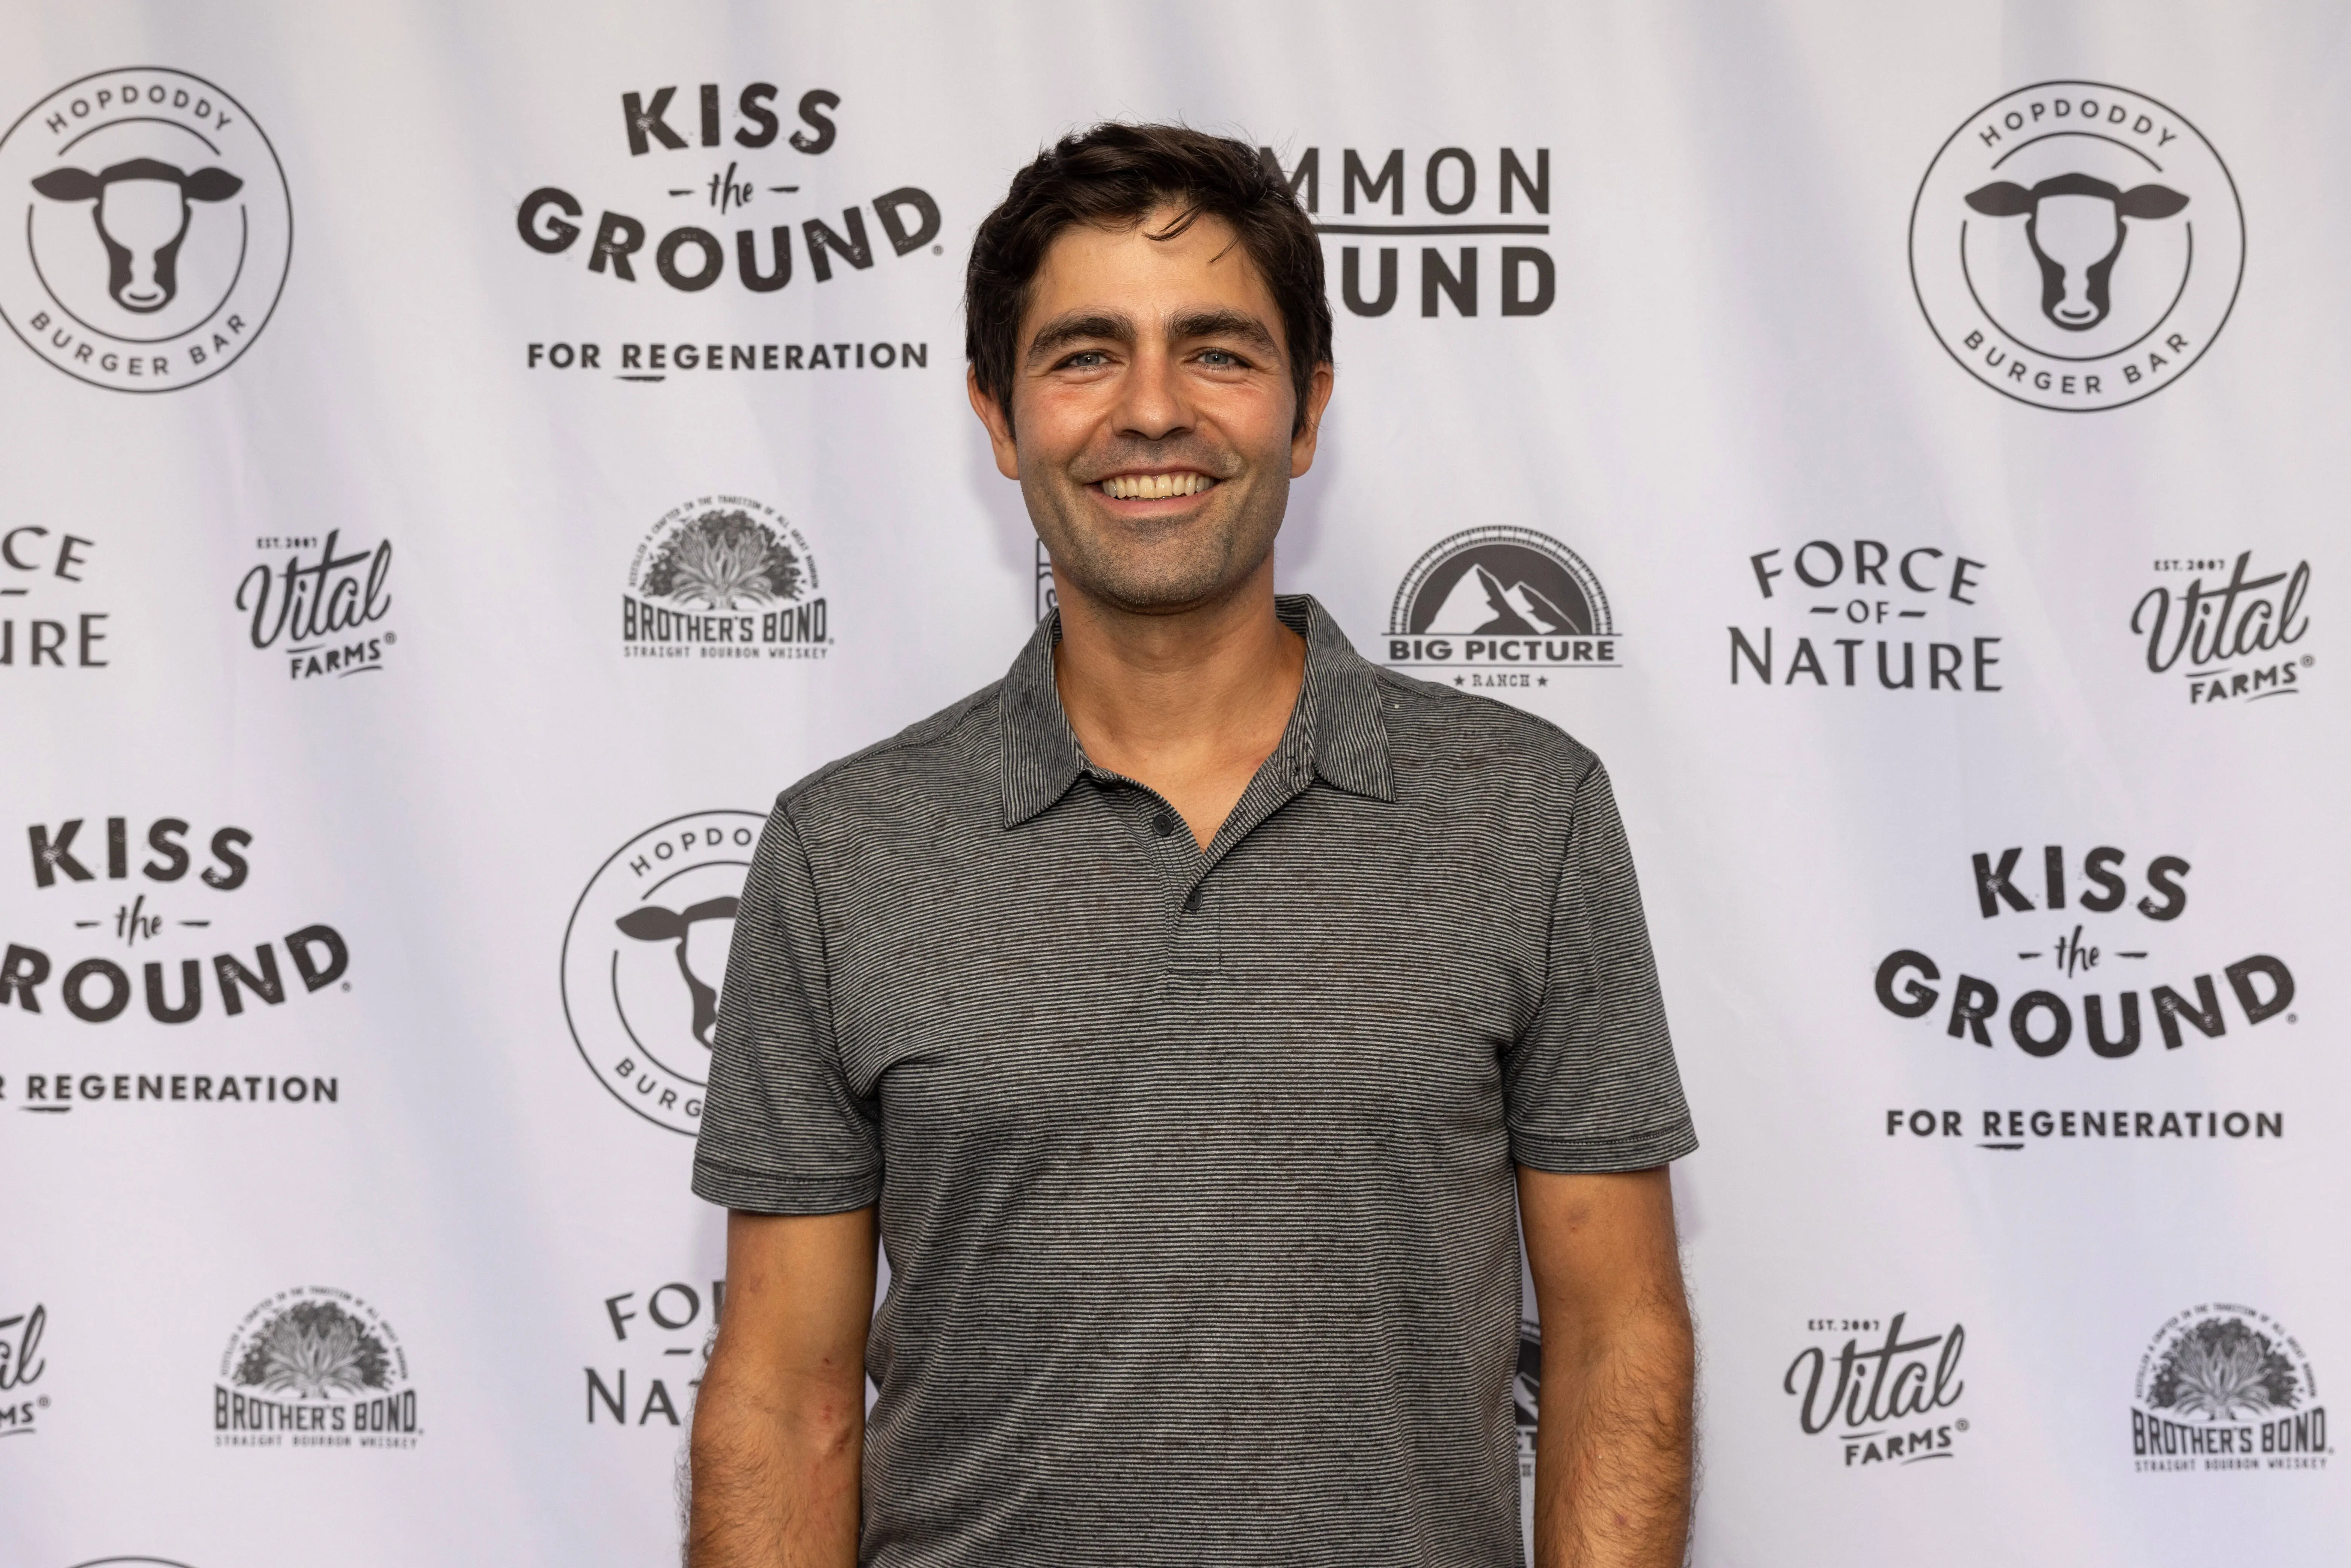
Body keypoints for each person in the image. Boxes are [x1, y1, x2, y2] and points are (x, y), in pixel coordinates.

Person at [686, 122, 1698, 1568]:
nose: (1150, 411)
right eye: (1084, 353)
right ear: (997, 413)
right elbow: (784, 1403)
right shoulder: (845, 851)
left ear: (1305, 410)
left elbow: (1617, 1338)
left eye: (1216, 351)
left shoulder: (1523, 812)